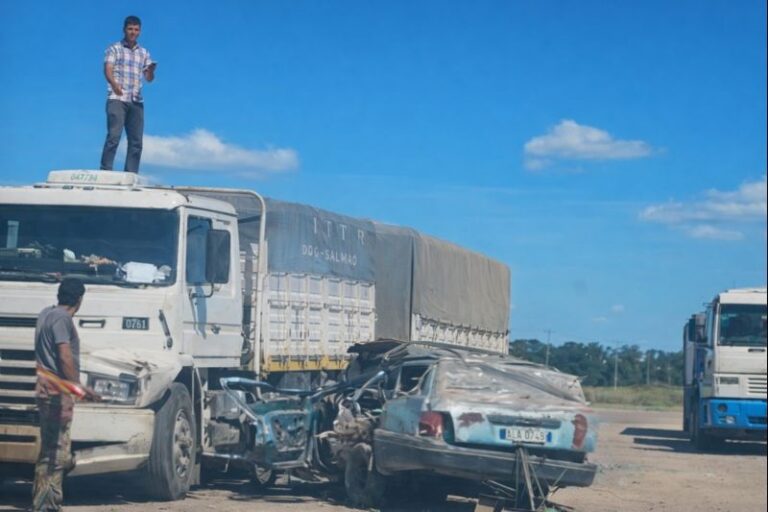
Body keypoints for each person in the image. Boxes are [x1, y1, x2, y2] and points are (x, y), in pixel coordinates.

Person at [32, 278, 99, 511]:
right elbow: (64, 355)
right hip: (57, 393)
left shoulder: (45, 314)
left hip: (45, 388)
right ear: (79, 300)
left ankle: (42, 501)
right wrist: (77, 387)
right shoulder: (62, 319)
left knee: (50, 448)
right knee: (57, 452)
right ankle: (48, 504)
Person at [99, 15, 156, 173]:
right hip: (117, 98)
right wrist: (114, 84)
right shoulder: (114, 48)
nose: (133, 32)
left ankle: (130, 174)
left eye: (136, 29)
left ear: (140, 31)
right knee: (114, 136)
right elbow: (108, 69)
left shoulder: (143, 53)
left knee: (136, 141)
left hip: (136, 100)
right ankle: (106, 170)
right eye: (130, 29)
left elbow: (149, 79)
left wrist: (151, 71)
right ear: (124, 30)